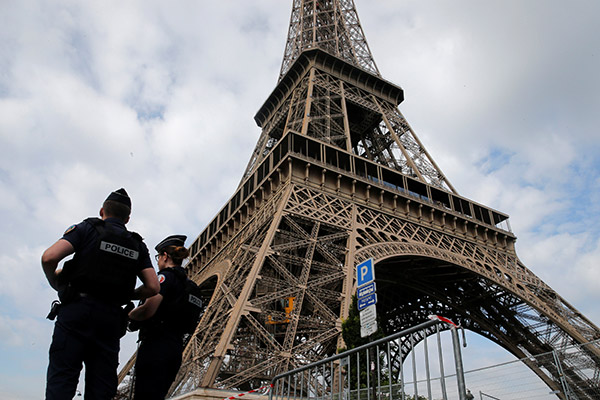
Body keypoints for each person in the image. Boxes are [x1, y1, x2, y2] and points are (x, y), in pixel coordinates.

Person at [42, 188, 160, 400]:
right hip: (111, 318)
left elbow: (49, 257)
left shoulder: (88, 228)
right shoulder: (137, 244)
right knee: (101, 387)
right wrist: (127, 294)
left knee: (62, 379)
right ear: (127, 219)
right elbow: (153, 287)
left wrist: (56, 283)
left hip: (76, 310)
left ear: (102, 211)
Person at [129, 234, 190, 400]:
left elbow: (148, 309)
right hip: (176, 348)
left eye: (158, 257)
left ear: (165, 256)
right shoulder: (189, 285)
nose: (157, 262)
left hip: (156, 344)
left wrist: (129, 316)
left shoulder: (165, 277)